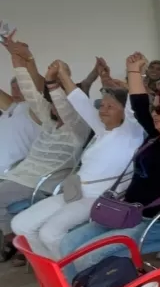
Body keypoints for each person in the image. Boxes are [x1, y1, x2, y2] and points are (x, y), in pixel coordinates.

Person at [57, 52, 160, 275]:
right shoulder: (155, 135)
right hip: (126, 213)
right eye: (155, 108)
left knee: (89, 256)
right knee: (67, 244)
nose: (155, 114)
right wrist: (134, 70)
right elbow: (139, 106)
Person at [11, 65, 144, 262]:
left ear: (124, 112)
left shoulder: (131, 133)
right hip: (73, 193)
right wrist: (61, 77)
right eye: (102, 105)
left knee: (49, 233)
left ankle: (70, 276)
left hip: (97, 199)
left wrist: (132, 76)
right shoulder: (101, 130)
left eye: (110, 107)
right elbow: (80, 102)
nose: (103, 110)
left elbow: (134, 108)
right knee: (20, 224)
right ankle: (53, 270)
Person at [0, 42, 90, 263]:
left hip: (41, 183)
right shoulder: (49, 124)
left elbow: (64, 107)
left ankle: (16, 244)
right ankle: (18, 242)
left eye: (57, 104)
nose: (52, 108)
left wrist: (52, 83)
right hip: (19, 176)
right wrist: (18, 61)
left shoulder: (77, 128)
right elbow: (31, 93)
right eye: (50, 104)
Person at [0, 76, 39, 175]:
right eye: (13, 88)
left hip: (15, 170)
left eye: (20, 88)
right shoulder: (10, 110)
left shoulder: (34, 110)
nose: (16, 92)